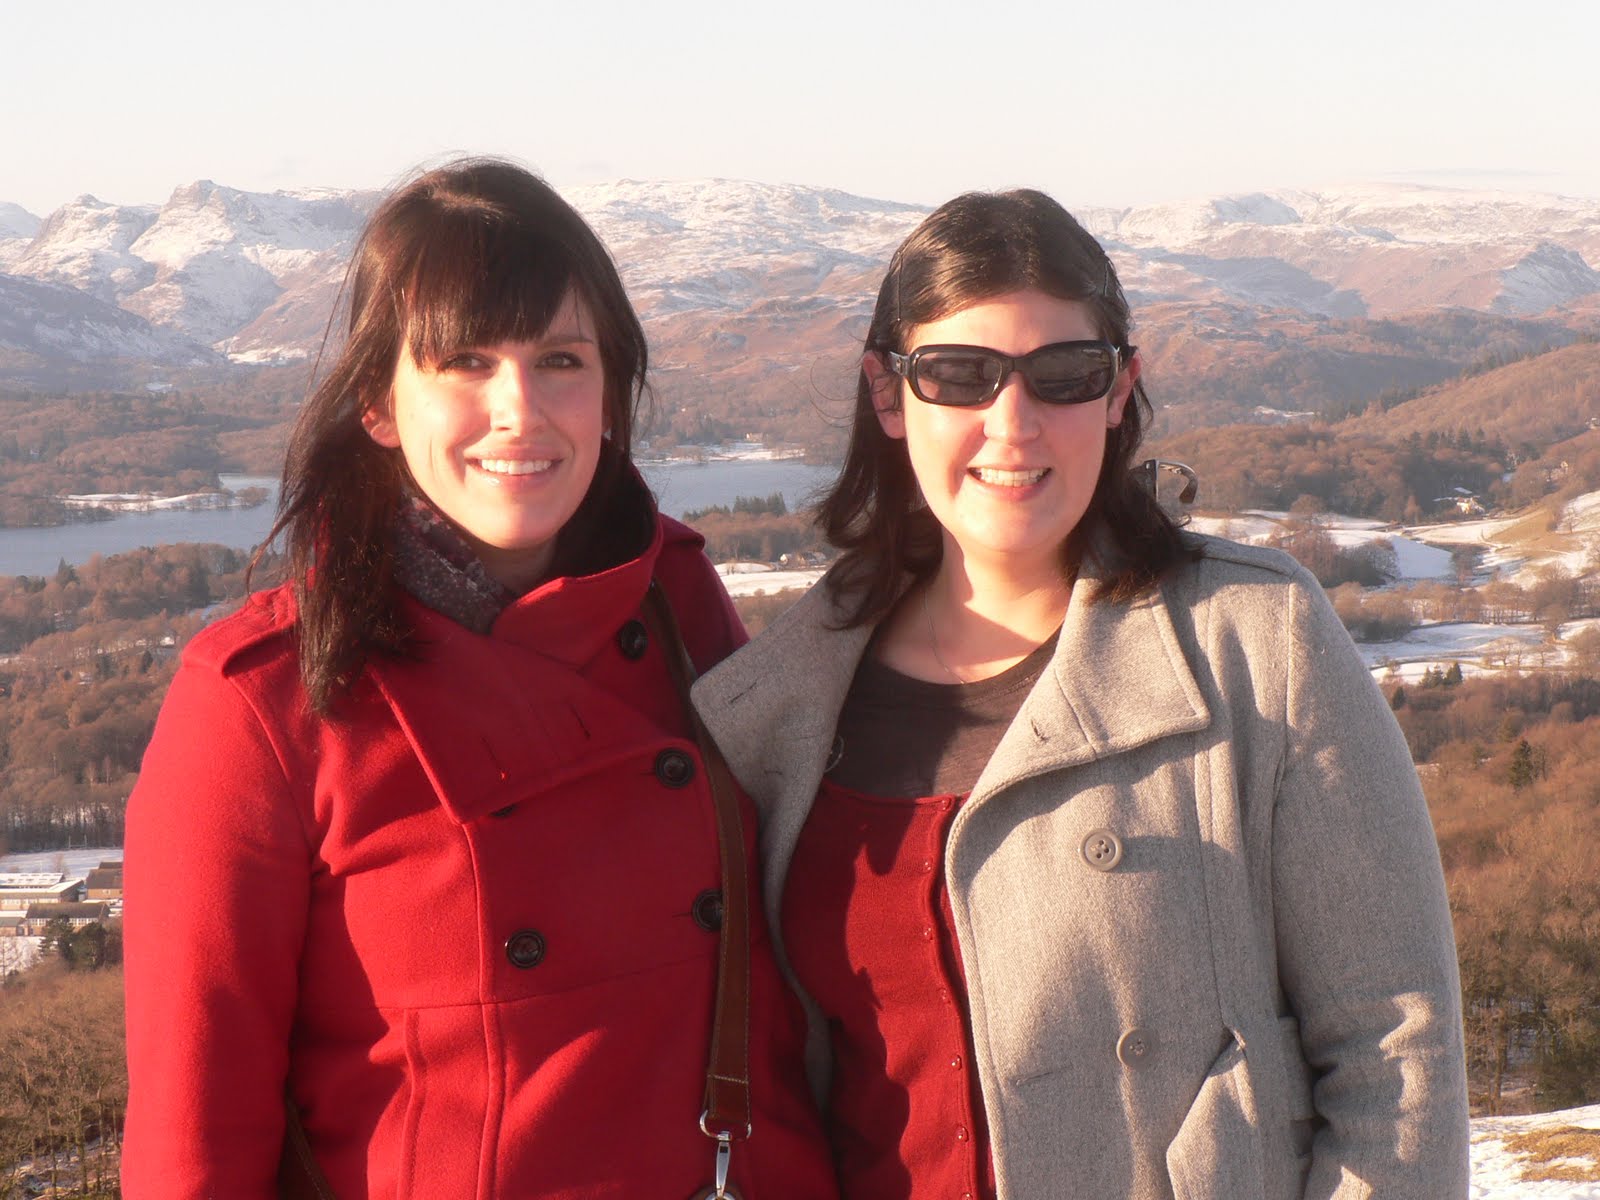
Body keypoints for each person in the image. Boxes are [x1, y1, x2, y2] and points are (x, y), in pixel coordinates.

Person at [691, 189, 1469, 1199]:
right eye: (959, 375)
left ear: (1118, 391)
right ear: (888, 392)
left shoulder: (1252, 644)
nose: (1012, 425)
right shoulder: (773, 713)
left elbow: (1394, 1052)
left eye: (1063, 376)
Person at [122, 159, 838, 1199]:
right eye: (464, 361)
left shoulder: (677, 603)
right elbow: (194, 1137)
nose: (520, 410)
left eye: (561, 360)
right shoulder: (264, 702)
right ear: (377, 403)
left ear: (609, 393)